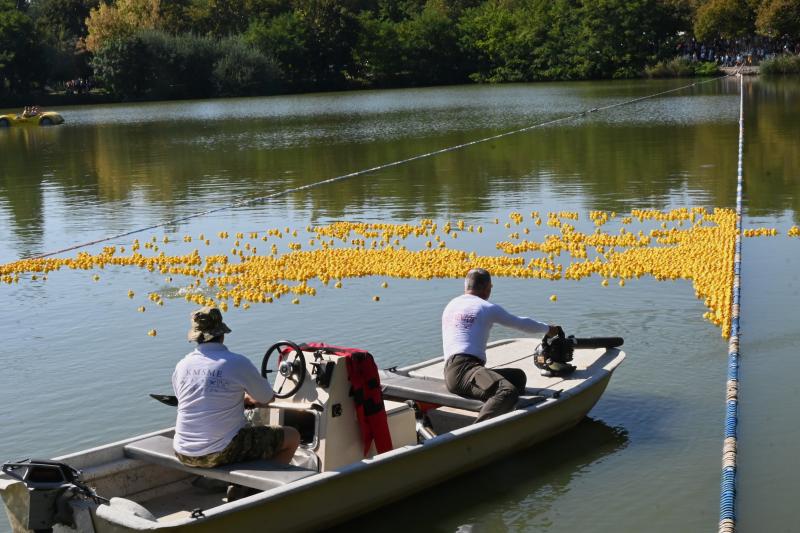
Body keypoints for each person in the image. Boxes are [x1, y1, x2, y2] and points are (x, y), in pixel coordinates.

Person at [172, 307, 300, 473]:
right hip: (220, 452)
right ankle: (251, 489)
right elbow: (267, 397)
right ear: (222, 334)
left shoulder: (182, 365)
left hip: (183, 452)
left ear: (196, 337)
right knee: (292, 436)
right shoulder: (236, 363)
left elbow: (189, 398)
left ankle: (221, 483)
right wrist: (248, 398)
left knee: (247, 433)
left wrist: (238, 399)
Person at [442, 268, 560, 423]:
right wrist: (548, 329)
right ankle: (476, 433)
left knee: (517, 378)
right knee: (507, 391)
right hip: (465, 370)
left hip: (452, 371)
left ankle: (502, 414)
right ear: (487, 288)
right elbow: (521, 324)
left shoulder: (452, 304)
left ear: (466, 286)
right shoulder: (486, 308)